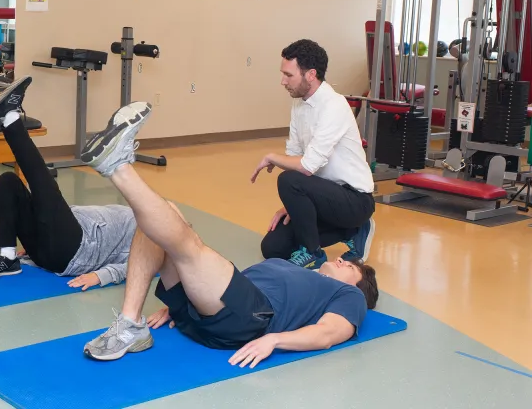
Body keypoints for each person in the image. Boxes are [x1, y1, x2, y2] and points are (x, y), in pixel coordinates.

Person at [78, 101, 379, 365]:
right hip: (215, 307)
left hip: (249, 318)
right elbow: (222, 282)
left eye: (350, 267)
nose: (341, 261)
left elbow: (328, 334)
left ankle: (118, 166)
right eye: (345, 260)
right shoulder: (296, 271)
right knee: (165, 217)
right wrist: (179, 303)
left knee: (188, 245)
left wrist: (275, 341)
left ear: (358, 286)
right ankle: (131, 324)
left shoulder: (349, 296)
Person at [0, 76, 152, 290]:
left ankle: (10, 117)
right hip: (51, 241)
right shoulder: (140, 215)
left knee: (43, 184)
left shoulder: (155, 235)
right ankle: (7, 256)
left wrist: (101, 276)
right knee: (9, 181)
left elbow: (139, 265)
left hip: (74, 252)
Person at [250, 40, 375, 269]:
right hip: (323, 198)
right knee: (273, 248)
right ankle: (352, 232)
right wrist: (291, 205)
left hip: (354, 201)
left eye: (288, 75)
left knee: (288, 179)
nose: (283, 81)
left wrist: (271, 157)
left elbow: (306, 167)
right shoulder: (298, 106)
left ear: (311, 75)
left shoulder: (334, 105)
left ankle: (314, 252)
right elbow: (295, 157)